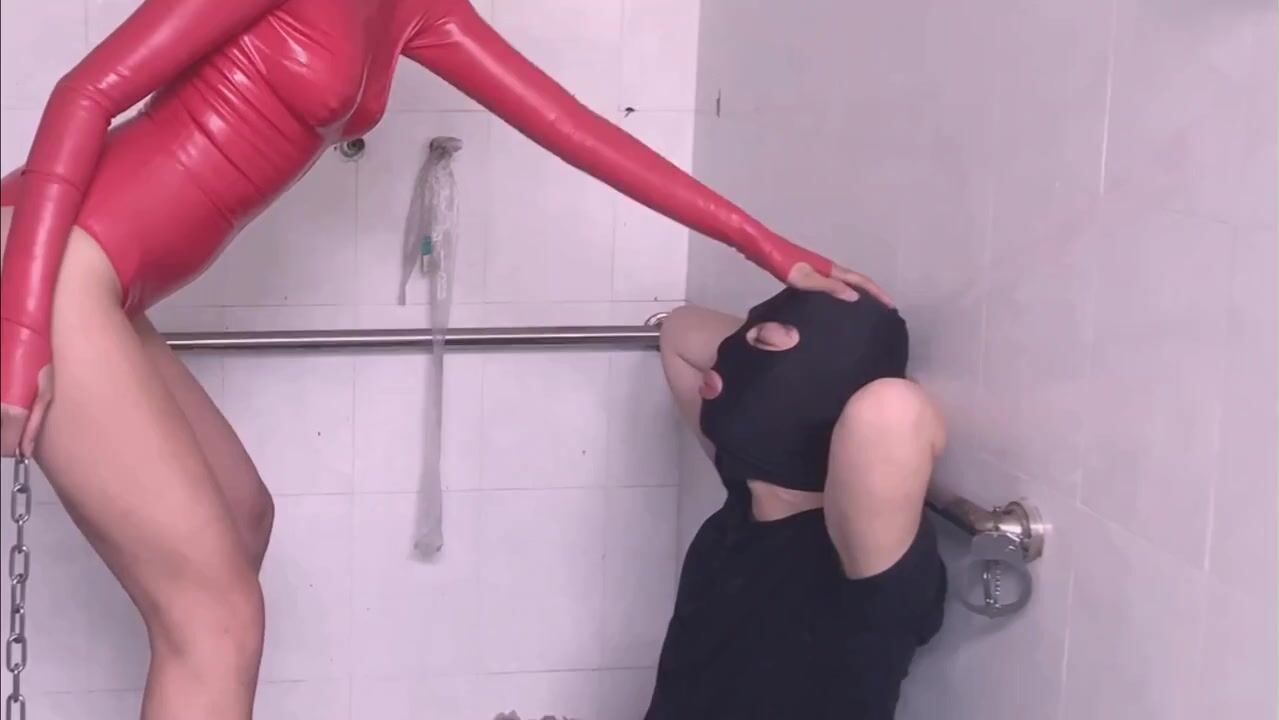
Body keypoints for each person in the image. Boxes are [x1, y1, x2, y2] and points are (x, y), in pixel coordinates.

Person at [0, 2, 890, 718]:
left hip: (102, 284)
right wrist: (19, 335)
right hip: (44, 263)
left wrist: (769, 248)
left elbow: (577, 130)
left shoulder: (418, 12)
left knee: (243, 518)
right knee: (216, 619)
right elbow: (85, 92)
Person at [649, 288, 947, 719]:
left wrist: (843, 342)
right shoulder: (746, 495)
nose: (729, 354)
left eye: (763, 342)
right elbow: (680, 330)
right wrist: (797, 295)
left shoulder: (865, 568)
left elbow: (893, 408)